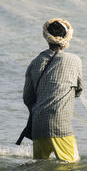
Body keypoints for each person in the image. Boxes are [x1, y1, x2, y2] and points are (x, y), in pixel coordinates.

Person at [23, 18, 83, 162]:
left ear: (47, 37)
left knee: (39, 168)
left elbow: (28, 98)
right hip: (60, 126)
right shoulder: (75, 60)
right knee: (70, 169)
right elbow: (79, 90)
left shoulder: (35, 62)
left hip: (38, 126)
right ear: (67, 37)